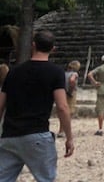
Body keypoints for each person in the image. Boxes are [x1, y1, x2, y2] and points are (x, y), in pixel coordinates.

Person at [0, 30, 74, 181]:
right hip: (37, 134)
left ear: (33, 45)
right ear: (53, 49)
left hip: (10, 136)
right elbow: (62, 107)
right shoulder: (55, 72)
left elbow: (0, 105)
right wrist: (69, 137)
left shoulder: (13, 72)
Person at [58, 60, 80, 138]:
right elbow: (72, 80)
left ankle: (61, 130)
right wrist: (70, 91)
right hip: (70, 93)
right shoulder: (74, 74)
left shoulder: (64, 73)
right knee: (69, 113)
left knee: (63, 112)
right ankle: (66, 131)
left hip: (63, 93)